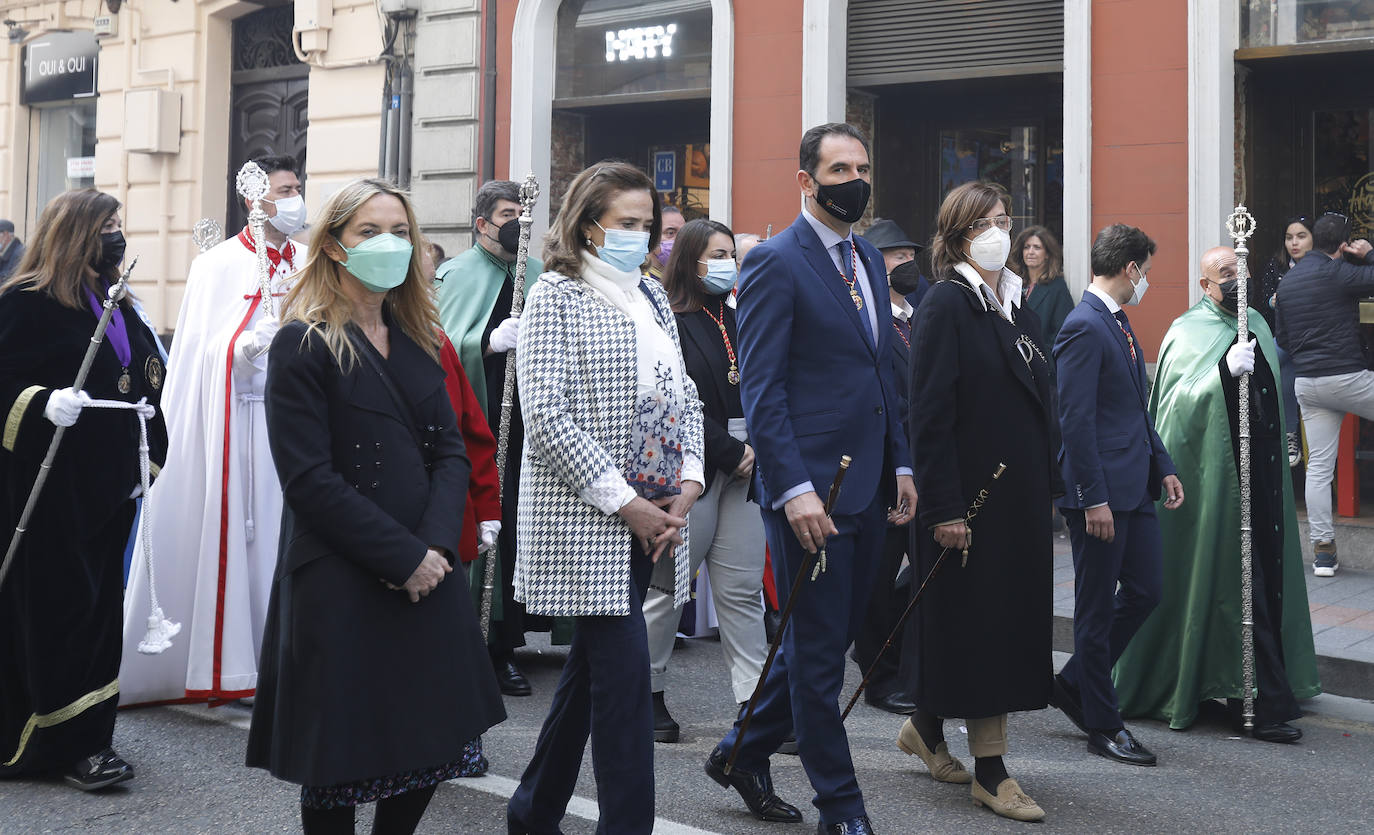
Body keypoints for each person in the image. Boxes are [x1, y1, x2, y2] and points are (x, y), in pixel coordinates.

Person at [246, 178, 504, 834]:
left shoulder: (422, 338)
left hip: (429, 571)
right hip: (341, 577)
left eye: (398, 231)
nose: (388, 244)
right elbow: (309, 481)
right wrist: (402, 555)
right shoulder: (301, 344)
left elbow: (451, 453)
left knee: (431, 745)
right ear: (333, 246)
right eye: (369, 231)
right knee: (338, 764)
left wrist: (437, 547)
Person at [707, 123, 916, 835]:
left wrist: (904, 461)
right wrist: (792, 489)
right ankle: (842, 806)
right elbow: (763, 391)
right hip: (810, 496)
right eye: (837, 168)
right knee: (820, 657)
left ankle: (739, 750)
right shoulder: (772, 262)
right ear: (806, 181)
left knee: (823, 642)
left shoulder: (864, 255)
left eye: (861, 165)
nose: (853, 178)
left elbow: (881, 369)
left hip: (869, 486)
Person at [505, 161, 705, 833]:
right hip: (592, 515)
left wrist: (691, 479)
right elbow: (548, 415)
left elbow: (686, 393)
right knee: (624, 694)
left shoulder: (649, 295)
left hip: (656, 512)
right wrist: (628, 501)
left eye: (647, 224)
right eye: (627, 223)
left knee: (590, 680)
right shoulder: (555, 295)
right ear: (588, 224)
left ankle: (532, 812)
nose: (642, 236)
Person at [118, 155, 306, 705]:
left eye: (298, 187)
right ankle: (233, 662)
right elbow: (196, 354)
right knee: (245, 538)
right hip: (240, 424)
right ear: (257, 198)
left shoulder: (307, 259)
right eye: (286, 189)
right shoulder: (218, 264)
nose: (295, 198)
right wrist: (241, 348)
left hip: (294, 424)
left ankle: (286, 656)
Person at [1113, 246, 1320, 742]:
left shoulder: (1259, 325)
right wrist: (1222, 372)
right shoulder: (1188, 330)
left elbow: (1272, 391)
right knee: (1233, 585)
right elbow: (1174, 406)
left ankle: (1258, 688)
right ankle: (1255, 701)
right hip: (1217, 482)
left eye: (1239, 270)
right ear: (1205, 285)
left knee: (1264, 578)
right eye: (1222, 274)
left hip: (1265, 474)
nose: (1234, 279)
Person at [900, 182, 1059, 822]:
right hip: (968, 500)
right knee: (983, 630)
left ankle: (925, 728)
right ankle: (992, 773)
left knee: (982, 625)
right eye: (989, 222)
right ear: (962, 234)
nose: (1003, 232)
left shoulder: (1014, 302)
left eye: (1005, 219)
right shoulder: (945, 304)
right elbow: (929, 414)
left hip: (1016, 500)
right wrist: (942, 508)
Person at [0, 189, 167, 789]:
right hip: (46, 493)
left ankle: (94, 738)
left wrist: (145, 466)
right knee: (58, 613)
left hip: (108, 488)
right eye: (108, 226)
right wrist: (42, 403)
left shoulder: (119, 303)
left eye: (120, 225)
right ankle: (56, 743)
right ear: (75, 233)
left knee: (100, 613)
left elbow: (148, 385)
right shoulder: (25, 303)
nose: (117, 236)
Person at [1050, 223, 1185, 768]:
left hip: (1136, 484)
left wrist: (1164, 465)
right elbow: (1074, 422)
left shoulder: (1118, 321)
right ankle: (1103, 724)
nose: (1147, 280)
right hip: (1102, 495)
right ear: (1130, 268)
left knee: (1147, 590)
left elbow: (1133, 406)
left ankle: (1074, 681)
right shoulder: (1083, 325)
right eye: (1146, 271)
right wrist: (1092, 498)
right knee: (1094, 610)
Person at [644, 218, 768, 742]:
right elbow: (674, 399)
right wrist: (727, 449)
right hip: (692, 467)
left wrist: (756, 449)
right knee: (668, 589)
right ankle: (645, 691)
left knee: (741, 591)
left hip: (749, 466)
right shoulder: (668, 320)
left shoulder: (742, 315)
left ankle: (755, 704)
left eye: (730, 255)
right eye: (716, 255)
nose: (727, 264)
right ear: (691, 261)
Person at [435, 180, 543, 696]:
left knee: (524, 522)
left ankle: (516, 632)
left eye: (522, 213)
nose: (516, 221)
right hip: (479, 415)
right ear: (482, 224)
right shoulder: (458, 274)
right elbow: (440, 342)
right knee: (488, 525)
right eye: (506, 213)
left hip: (527, 418)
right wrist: (487, 340)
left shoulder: (538, 274)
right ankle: (489, 644)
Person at [847, 218, 926, 717]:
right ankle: (877, 672)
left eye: (908, 254)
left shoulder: (919, 316)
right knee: (878, 575)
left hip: (926, 463)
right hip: (887, 467)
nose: (906, 263)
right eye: (895, 256)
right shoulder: (869, 318)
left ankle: (893, 651)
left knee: (919, 570)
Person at [1276, 213, 1374, 577]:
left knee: (1318, 468)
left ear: (1316, 240)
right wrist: (1368, 254)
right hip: (1347, 378)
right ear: (1344, 244)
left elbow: (1282, 340)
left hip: (1308, 384)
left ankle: (1323, 552)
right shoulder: (1339, 271)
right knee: (1319, 467)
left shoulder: (1288, 282)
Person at [1258, 215, 1313, 466]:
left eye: (1301, 236)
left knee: (1273, 363)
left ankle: (1288, 433)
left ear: (1314, 239)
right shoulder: (1276, 266)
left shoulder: (1321, 266)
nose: (1294, 243)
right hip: (1282, 339)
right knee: (1280, 364)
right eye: (1289, 237)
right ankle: (1287, 434)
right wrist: (1276, 299)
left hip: (1313, 343)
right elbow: (1262, 302)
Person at [1009, 225, 1073, 369]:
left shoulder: (1057, 287)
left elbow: (1062, 333)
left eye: (1037, 247)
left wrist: (1043, 360)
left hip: (1042, 366)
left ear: (1047, 254)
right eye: (1027, 247)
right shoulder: (1013, 284)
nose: (1030, 252)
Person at [648, 205, 685, 281]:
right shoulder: (638, 281)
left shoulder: (686, 280)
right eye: (670, 233)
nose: (680, 239)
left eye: (684, 233)